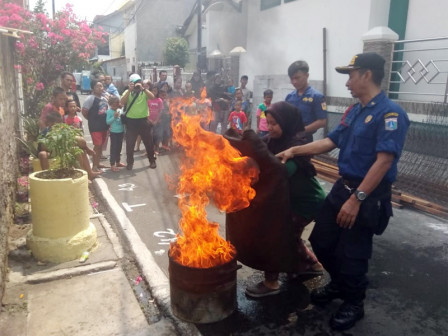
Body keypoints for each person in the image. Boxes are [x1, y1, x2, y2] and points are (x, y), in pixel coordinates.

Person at [276, 52, 410, 331]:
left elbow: (384, 160)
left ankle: (354, 302)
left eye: (351, 75)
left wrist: (357, 198)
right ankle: (339, 285)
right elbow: (329, 141)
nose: (347, 82)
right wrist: (293, 150)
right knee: (323, 242)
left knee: (353, 254)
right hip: (342, 187)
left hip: (366, 196)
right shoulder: (355, 110)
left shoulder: (391, 113)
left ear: (367, 75)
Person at [244, 101, 326, 298]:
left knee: (275, 235)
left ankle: (271, 282)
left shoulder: (296, 147)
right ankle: (312, 265)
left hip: (308, 201)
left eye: (274, 123)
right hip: (290, 199)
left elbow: (279, 175)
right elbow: (256, 147)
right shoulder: (272, 141)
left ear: (286, 122)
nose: (269, 128)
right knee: (290, 235)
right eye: (268, 123)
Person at [38, 112, 101, 180]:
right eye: (54, 123)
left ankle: (88, 174)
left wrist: (86, 148)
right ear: (48, 123)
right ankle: (47, 176)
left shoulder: (64, 131)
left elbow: (78, 141)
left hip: (64, 150)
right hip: (51, 151)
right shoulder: (45, 132)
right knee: (42, 154)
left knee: (80, 151)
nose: (57, 125)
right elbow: (42, 146)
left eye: (59, 123)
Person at [285, 60, 327, 143]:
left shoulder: (317, 96)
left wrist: (302, 131)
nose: (294, 82)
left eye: (297, 78)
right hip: (289, 138)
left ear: (306, 75)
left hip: (305, 140)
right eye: (292, 79)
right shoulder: (289, 97)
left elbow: (323, 121)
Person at [120, 74, 157, 170]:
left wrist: (143, 89)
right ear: (131, 83)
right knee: (130, 144)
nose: (137, 84)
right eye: (135, 82)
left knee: (148, 143)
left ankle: (152, 161)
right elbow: (122, 102)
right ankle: (130, 163)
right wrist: (129, 90)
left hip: (143, 121)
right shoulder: (127, 92)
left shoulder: (144, 92)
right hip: (131, 122)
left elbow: (153, 97)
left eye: (139, 82)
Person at [81, 80, 109, 172]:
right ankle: (94, 166)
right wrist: (92, 120)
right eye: (98, 86)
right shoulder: (90, 98)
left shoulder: (105, 98)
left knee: (101, 146)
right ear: (93, 88)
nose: (100, 88)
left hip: (104, 125)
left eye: (101, 86)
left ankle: (98, 163)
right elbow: (84, 112)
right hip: (95, 126)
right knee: (97, 145)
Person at [106, 96, 125, 172]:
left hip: (121, 132)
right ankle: (112, 164)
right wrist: (114, 117)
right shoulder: (109, 111)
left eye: (117, 103)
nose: (115, 105)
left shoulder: (120, 110)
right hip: (114, 132)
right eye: (113, 103)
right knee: (113, 148)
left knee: (119, 147)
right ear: (110, 104)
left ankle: (118, 162)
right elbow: (107, 122)